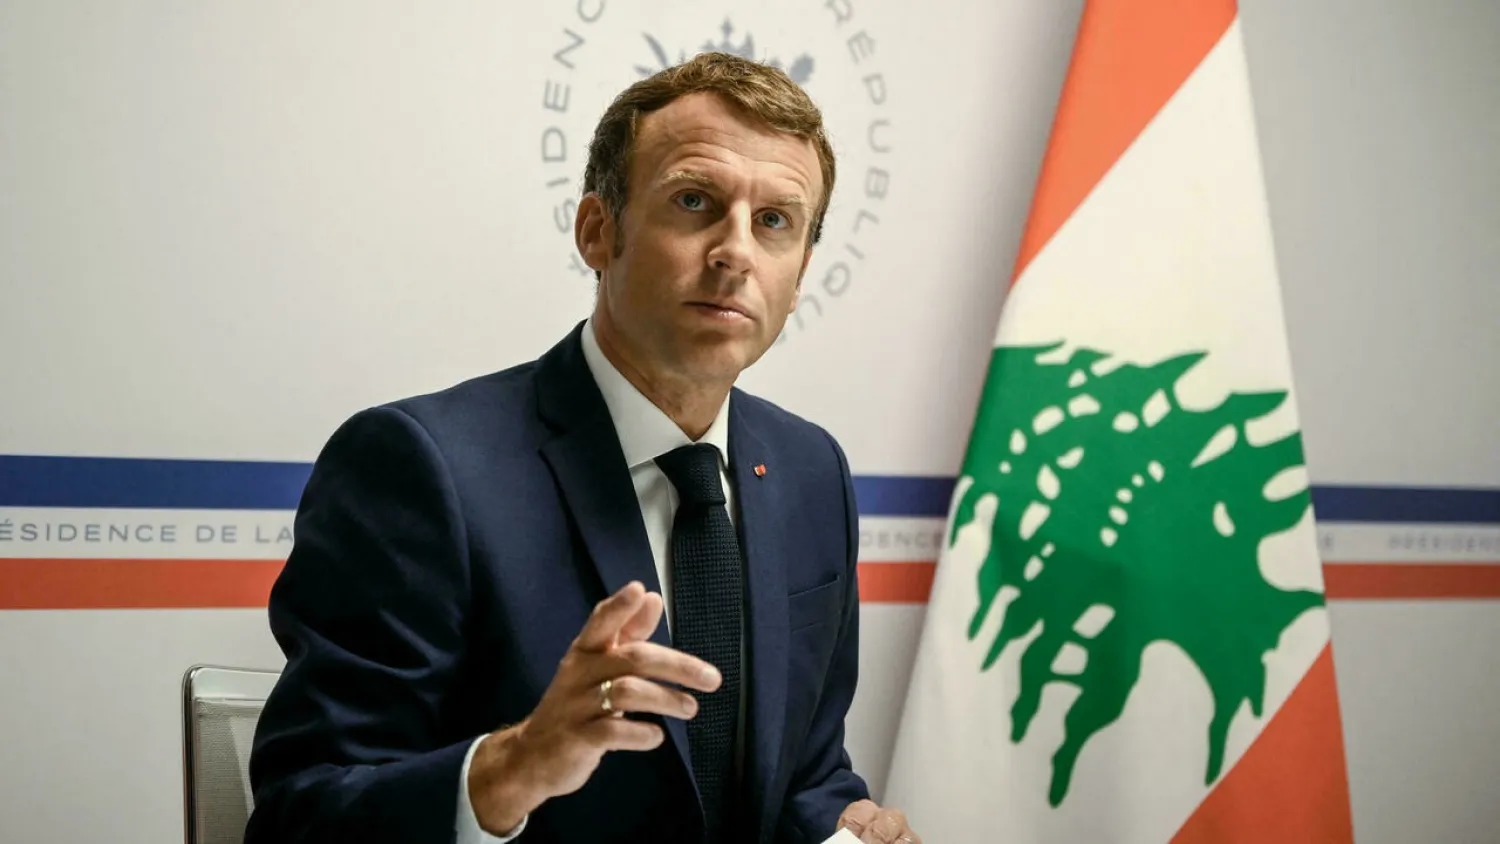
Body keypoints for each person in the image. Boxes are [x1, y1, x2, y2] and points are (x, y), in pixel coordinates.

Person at [244, 51, 922, 844]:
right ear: (599, 231)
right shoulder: (420, 466)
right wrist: (513, 767)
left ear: (801, 270)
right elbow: (302, 813)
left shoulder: (811, 469)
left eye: (774, 222)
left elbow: (804, 774)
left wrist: (844, 830)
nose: (736, 251)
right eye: (696, 202)